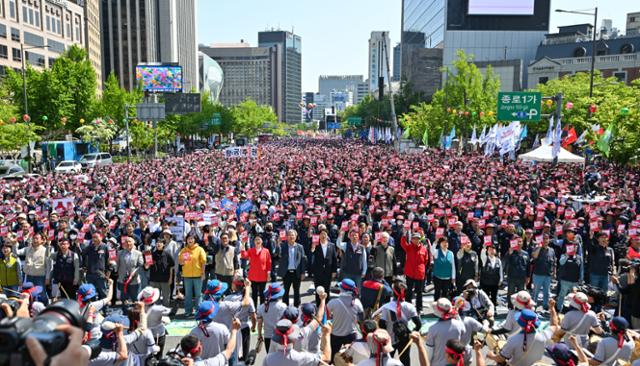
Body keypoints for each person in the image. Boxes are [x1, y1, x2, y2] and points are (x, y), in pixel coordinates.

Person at [488, 307, 559, 366]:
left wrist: (491, 356)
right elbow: (554, 325)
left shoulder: (513, 340)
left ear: (520, 323)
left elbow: (501, 359)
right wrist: (552, 308)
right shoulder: (544, 335)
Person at [378, 280, 421, 366]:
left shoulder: (387, 307)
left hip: (389, 339)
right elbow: (418, 324)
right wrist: (412, 332)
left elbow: (382, 324)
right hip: (405, 338)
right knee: (405, 360)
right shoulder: (410, 306)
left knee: (387, 361)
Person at [261, 319, 332, 366]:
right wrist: (327, 334)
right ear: (293, 339)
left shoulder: (268, 359)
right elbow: (326, 358)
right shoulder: (303, 357)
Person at [327, 278, 364, 362]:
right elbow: (361, 319)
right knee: (350, 359)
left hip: (335, 335)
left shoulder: (333, 302)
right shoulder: (357, 302)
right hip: (351, 335)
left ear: (342, 289)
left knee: (332, 357)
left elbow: (326, 316)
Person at [425, 298, 465, 366]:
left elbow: (429, 352)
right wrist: (456, 314)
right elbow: (463, 329)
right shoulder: (459, 325)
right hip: (455, 363)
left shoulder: (433, 329)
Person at [225, 277, 257, 361]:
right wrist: (253, 327)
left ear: (234, 286)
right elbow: (253, 315)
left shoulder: (227, 298)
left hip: (232, 329)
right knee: (245, 355)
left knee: (232, 353)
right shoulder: (248, 299)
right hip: (244, 328)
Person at [16, 232, 50, 305]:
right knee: (29, 295)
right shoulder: (27, 249)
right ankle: (32, 310)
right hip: (28, 276)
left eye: (37, 238)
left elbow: (48, 266)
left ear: (41, 240)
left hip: (40, 277)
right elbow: (16, 253)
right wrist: (14, 244)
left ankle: (45, 308)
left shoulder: (45, 250)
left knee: (42, 295)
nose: (35, 240)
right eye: (34, 238)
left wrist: (47, 278)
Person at [138, 286, 172, 357]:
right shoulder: (159, 309)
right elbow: (170, 311)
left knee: (146, 356)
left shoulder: (138, 308)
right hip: (158, 334)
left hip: (144, 333)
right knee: (158, 355)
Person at [400, 231, 429, 314]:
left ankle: (419, 308)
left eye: (417, 239)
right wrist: (404, 233)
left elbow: (426, 261)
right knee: (408, 291)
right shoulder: (408, 247)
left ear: (420, 240)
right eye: (414, 239)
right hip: (409, 273)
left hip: (419, 274)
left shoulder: (424, 249)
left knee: (419, 292)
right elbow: (402, 243)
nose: (416, 240)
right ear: (411, 240)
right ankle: (408, 307)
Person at [179, 234, 207, 317]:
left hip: (198, 275)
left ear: (194, 240)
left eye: (191, 238)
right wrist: (183, 260)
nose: (190, 240)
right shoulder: (184, 250)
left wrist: (203, 273)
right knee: (188, 294)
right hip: (187, 275)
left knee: (198, 294)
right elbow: (180, 262)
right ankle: (188, 311)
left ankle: (199, 311)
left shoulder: (200, 249)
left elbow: (203, 262)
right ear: (186, 240)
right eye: (188, 239)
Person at [240, 235, 272, 307]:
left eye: (259, 240)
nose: (257, 241)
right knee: (254, 294)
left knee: (262, 294)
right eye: (256, 240)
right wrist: (243, 244)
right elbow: (243, 255)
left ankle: (262, 309)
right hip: (253, 276)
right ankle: (254, 310)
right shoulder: (251, 250)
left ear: (261, 241)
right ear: (254, 242)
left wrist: (268, 274)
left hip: (262, 276)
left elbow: (269, 263)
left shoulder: (266, 251)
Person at [277, 230, 306, 307]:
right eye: (289, 235)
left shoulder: (300, 247)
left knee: (297, 291)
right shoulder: (283, 246)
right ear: (286, 237)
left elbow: (303, 259)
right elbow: (276, 255)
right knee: (285, 291)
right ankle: (284, 307)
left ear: (296, 237)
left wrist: (303, 272)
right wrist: (277, 245)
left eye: (293, 235)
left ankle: (297, 307)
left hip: (297, 272)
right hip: (286, 273)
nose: (291, 237)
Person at [309, 229, 338, 304]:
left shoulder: (331, 245)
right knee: (318, 289)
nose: (323, 235)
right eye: (321, 234)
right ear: (319, 236)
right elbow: (311, 253)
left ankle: (327, 305)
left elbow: (334, 259)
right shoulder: (316, 244)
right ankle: (318, 305)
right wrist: (313, 247)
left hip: (328, 271)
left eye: (325, 234)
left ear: (327, 235)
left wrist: (334, 271)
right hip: (318, 271)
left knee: (327, 289)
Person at [257, 283, 288, 351]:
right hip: (280, 335)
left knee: (269, 358)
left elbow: (259, 323)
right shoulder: (283, 306)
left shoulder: (261, 307)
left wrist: (259, 335)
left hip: (267, 336)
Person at [530, 234, 556, 310]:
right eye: (544, 239)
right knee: (535, 292)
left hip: (548, 275)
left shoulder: (551, 250)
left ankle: (545, 305)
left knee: (547, 292)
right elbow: (534, 256)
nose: (545, 240)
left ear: (549, 240)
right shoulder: (536, 248)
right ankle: (533, 305)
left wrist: (554, 273)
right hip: (538, 274)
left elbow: (554, 262)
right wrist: (539, 247)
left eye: (547, 239)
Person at [82, 232, 110, 301]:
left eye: (96, 237)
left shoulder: (105, 247)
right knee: (91, 294)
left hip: (101, 274)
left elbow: (108, 260)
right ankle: (93, 310)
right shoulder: (89, 247)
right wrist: (84, 266)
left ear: (101, 237)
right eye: (93, 237)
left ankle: (104, 310)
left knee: (103, 293)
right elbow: (82, 255)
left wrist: (108, 272)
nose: (94, 239)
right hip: (90, 274)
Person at [557, 240, 584, 311]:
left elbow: (581, 269)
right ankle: (559, 309)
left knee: (574, 297)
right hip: (565, 280)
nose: (574, 248)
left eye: (576, 246)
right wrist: (567, 254)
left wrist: (581, 279)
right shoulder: (564, 255)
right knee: (562, 296)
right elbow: (561, 262)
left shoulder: (579, 257)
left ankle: (571, 311)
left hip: (575, 282)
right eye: (572, 247)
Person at [116, 236, 143, 306]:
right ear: (124, 243)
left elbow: (140, 266)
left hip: (134, 280)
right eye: (126, 242)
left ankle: (136, 315)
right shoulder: (120, 253)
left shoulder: (138, 253)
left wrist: (134, 273)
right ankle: (125, 314)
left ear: (133, 243)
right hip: (122, 280)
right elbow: (117, 265)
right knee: (124, 300)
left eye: (130, 241)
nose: (128, 243)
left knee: (136, 299)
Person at [148, 238, 175, 308]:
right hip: (154, 280)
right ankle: (157, 314)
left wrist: (171, 278)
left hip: (165, 280)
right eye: (157, 242)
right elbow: (147, 267)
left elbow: (171, 267)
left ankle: (165, 313)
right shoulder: (151, 254)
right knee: (155, 298)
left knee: (166, 298)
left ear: (164, 245)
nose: (158, 244)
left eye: (160, 243)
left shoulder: (167, 254)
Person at [504, 239, 530, 308]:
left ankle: (519, 307)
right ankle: (510, 307)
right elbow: (506, 261)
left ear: (522, 243)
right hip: (512, 277)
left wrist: (528, 277)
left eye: (520, 242)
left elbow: (528, 266)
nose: (519, 243)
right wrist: (509, 253)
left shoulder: (526, 253)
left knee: (521, 294)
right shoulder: (511, 252)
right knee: (511, 293)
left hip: (522, 277)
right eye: (517, 242)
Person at [479, 242, 502, 307]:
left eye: (493, 249)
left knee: (494, 297)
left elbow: (500, 271)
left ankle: (494, 310)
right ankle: (486, 310)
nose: (491, 251)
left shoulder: (498, 260)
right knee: (485, 298)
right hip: (485, 282)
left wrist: (501, 280)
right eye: (490, 249)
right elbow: (482, 255)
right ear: (487, 251)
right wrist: (484, 248)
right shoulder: (485, 259)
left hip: (494, 283)